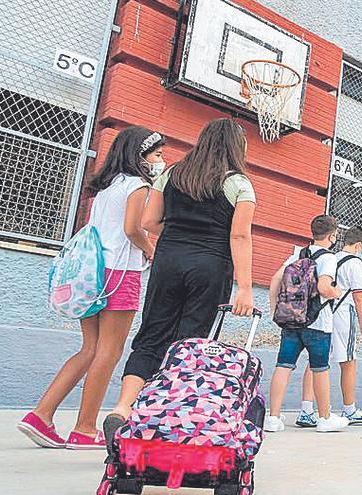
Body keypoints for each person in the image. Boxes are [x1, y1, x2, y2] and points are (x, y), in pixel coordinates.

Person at [101, 118, 256, 451]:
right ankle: (169, 418)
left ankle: (123, 407)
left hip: (168, 262)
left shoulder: (171, 174)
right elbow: (240, 235)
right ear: (235, 147)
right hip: (211, 267)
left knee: (152, 334)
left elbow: (148, 222)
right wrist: (244, 288)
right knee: (189, 342)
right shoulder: (238, 184)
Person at [18, 127, 164, 449]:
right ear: (139, 155)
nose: (159, 160)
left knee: (89, 349)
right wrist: (151, 250)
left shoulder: (106, 186)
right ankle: (84, 430)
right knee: (108, 353)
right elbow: (132, 230)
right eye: (155, 154)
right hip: (121, 273)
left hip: (94, 272)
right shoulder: (138, 185)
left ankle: (41, 414)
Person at [265, 215, 348, 433]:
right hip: (317, 322)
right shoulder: (329, 258)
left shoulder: (297, 253)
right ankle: (324, 418)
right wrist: (336, 292)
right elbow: (323, 287)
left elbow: (275, 279)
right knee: (320, 368)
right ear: (332, 236)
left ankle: (273, 418)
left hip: (291, 320)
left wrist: (275, 310)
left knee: (283, 366)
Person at [295, 227, 362, 427]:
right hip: (343, 314)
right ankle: (349, 409)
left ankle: (306, 410)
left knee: (317, 360)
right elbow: (358, 296)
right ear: (358, 245)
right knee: (348, 361)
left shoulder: (330, 258)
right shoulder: (356, 263)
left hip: (323, 312)